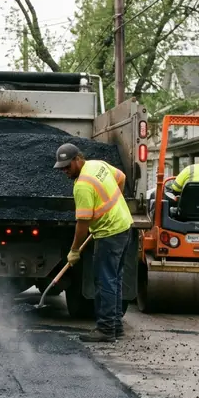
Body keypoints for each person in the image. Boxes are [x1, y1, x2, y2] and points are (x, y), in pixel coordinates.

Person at [55, 143, 133, 342]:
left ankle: (106, 329)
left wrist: (74, 250)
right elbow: (121, 178)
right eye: (61, 168)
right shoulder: (98, 165)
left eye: (67, 166)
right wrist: (112, 206)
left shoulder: (82, 185)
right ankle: (115, 326)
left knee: (105, 281)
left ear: (77, 159)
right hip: (125, 226)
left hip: (109, 234)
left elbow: (83, 223)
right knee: (115, 279)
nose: (65, 171)